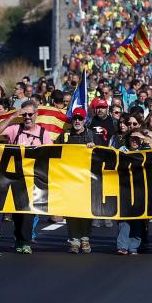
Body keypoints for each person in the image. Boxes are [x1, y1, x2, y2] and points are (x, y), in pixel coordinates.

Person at [0, 100, 54, 254]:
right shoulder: (15, 129)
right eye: (24, 114)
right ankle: (18, 238)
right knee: (17, 213)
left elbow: (51, 154)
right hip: (15, 178)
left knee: (28, 211)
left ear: (36, 115)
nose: (27, 117)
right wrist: (14, 116)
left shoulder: (43, 134)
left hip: (34, 179)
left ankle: (26, 242)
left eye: (30, 114)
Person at [56, 107, 96, 254]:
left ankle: (85, 240)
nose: (77, 121)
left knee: (85, 212)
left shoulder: (91, 135)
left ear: (85, 120)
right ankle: (74, 241)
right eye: (75, 118)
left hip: (86, 181)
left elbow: (99, 156)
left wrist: (93, 148)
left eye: (80, 118)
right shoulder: (65, 135)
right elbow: (54, 152)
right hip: (69, 180)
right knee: (71, 212)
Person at [116, 130, 149, 255]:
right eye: (132, 138)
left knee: (138, 218)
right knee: (124, 218)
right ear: (128, 139)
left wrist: (146, 139)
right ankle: (122, 245)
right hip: (124, 188)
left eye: (137, 138)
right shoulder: (121, 150)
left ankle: (134, 245)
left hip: (141, 189)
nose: (135, 141)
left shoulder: (145, 151)